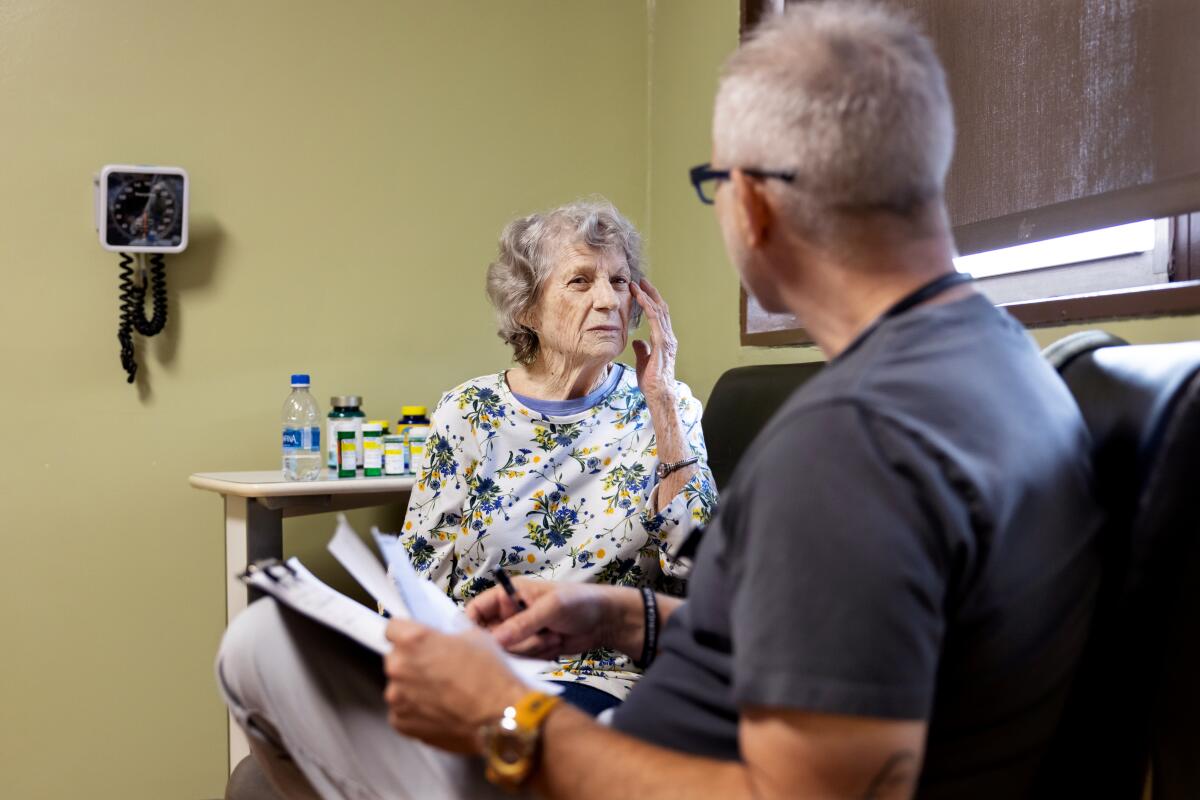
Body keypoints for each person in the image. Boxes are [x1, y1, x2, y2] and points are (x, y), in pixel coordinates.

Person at [216, 3, 1102, 798]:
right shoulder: (1009, 365)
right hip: (626, 708)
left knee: (257, 647)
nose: (608, 298)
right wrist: (618, 612)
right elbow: (807, 642)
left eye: (714, 186)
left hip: (602, 759)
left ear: (752, 204)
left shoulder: (849, 447)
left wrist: (506, 719)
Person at [391, 199, 715, 712]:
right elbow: (417, 571)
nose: (609, 300)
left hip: (601, 674)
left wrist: (663, 408)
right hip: (476, 662)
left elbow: (697, 566)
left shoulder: (669, 408)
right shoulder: (468, 411)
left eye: (619, 280)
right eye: (581, 281)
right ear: (527, 309)